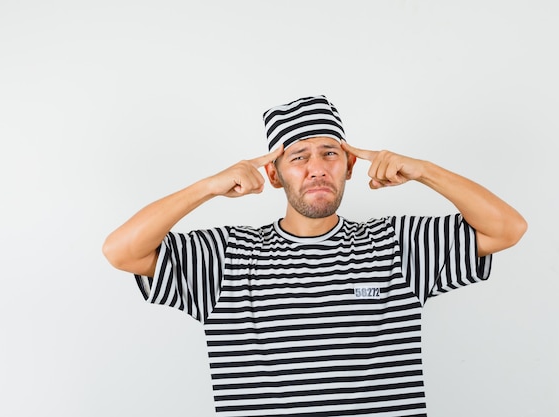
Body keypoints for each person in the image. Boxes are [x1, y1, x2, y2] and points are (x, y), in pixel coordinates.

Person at [103, 95, 527, 417]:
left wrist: (423, 170)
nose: (317, 168)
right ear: (273, 174)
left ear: (349, 166)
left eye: (330, 154)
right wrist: (208, 187)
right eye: (298, 157)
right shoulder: (226, 256)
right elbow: (121, 251)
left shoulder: (399, 244)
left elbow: (507, 228)